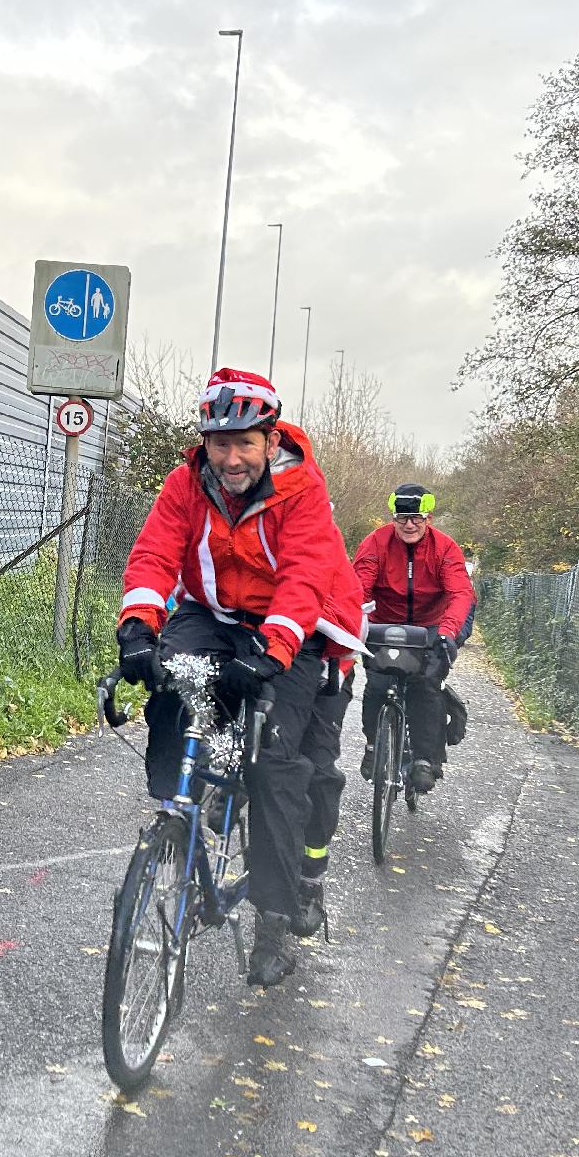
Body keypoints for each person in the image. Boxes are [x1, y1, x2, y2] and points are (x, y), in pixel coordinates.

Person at [114, 368, 365, 987]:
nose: (231, 457)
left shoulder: (300, 491)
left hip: (297, 624)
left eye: (244, 443)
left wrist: (273, 653)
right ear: (205, 443)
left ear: (269, 441)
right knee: (170, 687)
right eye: (219, 443)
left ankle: (274, 922)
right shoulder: (185, 483)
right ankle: (183, 811)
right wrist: (138, 628)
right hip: (212, 612)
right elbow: (154, 554)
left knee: (277, 766)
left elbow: (305, 577)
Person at [352, 483, 475, 794]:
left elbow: (460, 593)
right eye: (402, 517)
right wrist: (355, 622)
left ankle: (424, 758)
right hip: (384, 622)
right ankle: (372, 744)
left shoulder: (445, 548)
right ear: (393, 517)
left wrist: (447, 633)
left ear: (428, 518)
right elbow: (358, 587)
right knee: (378, 684)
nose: (409, 524)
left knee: (426, 682)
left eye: (417, 518)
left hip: (432, 622)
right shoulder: (375, 543)